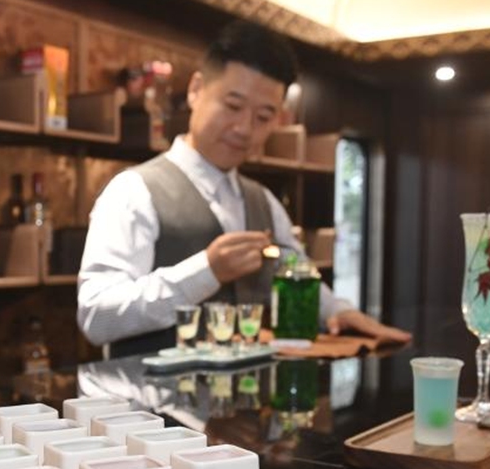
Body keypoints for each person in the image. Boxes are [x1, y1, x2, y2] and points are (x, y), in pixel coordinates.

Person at [76, 20, 412, 357]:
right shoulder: (132, 191)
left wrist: (340, 312)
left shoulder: (263, 202)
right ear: (195, 90)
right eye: (233, 106)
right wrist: (206, 270)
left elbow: (296, 271)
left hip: (249, 402)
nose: (244, 128)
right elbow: (95, 316)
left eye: (263, 116)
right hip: (150, 403)